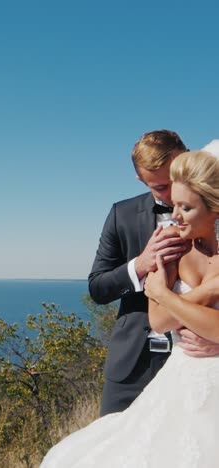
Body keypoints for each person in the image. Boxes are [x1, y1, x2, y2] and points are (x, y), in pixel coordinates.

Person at [41, 148, 219, 467]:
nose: (172, 211)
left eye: (184, 205)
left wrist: (169, 296)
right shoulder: (157, 234)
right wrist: (200, 290)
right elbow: (154, 316)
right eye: (163, 191)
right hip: (158, 370)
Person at [88, 130, 219, 416]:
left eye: (174, 180)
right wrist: (141, 264)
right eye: (160, 187)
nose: (172, 196)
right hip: (132, 364)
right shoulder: (121, 215)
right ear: (140, 179)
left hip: (201, 364)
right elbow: (98, 288)